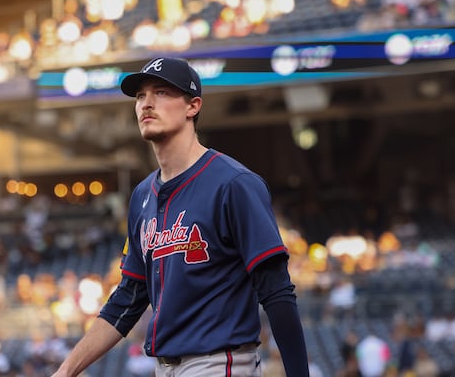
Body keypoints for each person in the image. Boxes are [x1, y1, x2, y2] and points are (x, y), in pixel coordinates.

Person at [51, 57, 309, 376]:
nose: (147, 103)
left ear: (193, 106)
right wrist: (65, 371)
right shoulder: (142, 196)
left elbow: (276, 289)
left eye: (161, 93)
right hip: (164, 368)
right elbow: (130, 297)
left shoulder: (233, 184)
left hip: (219, 362)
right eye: (141, 96)